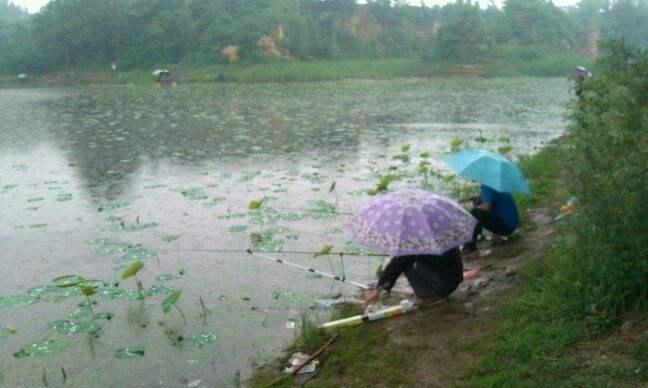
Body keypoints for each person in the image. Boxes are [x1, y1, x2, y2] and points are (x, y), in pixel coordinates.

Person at [364, 247, 463, 306]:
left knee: (406, 264)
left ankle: (429, 296)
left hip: (443, 284)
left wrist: (378, 289)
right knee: (409, 260)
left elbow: (396, 264)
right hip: (454, 283)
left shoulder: (415, 241)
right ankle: (432, 293)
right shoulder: (441, 234)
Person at [460, 184, 519, 254]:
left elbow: (486, 207)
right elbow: (482, 198)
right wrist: (469, 199)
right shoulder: (491, 184)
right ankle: (482, 235)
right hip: (511, 224)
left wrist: (468, 214)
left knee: (475, 212)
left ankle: (469, 246)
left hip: (506, 226)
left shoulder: (487, 186)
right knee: (477, 204)